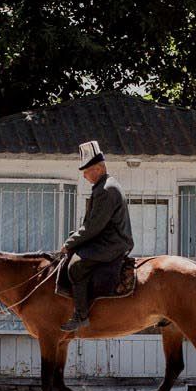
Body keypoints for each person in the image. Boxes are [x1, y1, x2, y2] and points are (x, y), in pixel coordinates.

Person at [57, 141, 133, 332]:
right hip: (107, 238)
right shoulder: (104, 186)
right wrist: (75, 237)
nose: (84, 175)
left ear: (99, 168)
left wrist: (70, 242)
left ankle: (81, 315)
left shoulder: (106, 190)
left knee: (75, 267)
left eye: (87, 170)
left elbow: (93, 227)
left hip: (112, 243)